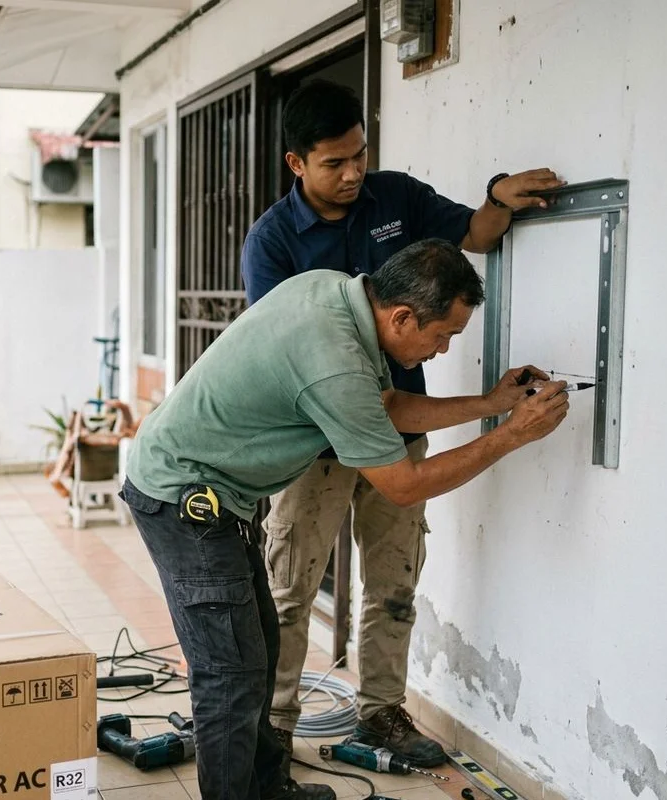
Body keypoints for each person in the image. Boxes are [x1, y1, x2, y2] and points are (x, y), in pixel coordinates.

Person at [120, 239, 569, 800]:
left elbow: (385, 407)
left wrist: (490, 405)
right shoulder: (334, 359)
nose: (442, 348)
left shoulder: (333, 293)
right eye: (443, 335)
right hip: (184, 499)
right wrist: (512, 436)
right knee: (231, 677)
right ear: (403, 316)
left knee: (255, 658)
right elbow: (403, 485)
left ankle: (268, 789)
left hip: (211, 495)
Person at [240, 79, 565, 768]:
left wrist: (498, 199)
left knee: (393, 582)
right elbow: (281, 353)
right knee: (290, 588)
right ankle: (272, 724)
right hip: (315, 446)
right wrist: (499, 426)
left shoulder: (394, 196)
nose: (354, 172)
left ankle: (381, 712)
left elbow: (474, 234)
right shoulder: (270, 243)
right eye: (334, 162)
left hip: (397, 425)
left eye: (360, 154)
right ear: (296, 163)